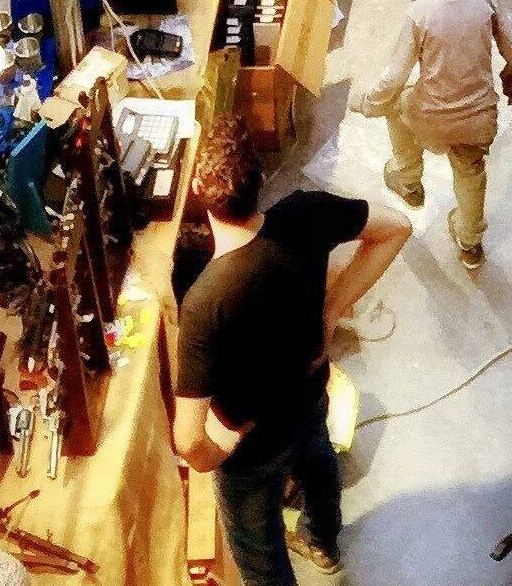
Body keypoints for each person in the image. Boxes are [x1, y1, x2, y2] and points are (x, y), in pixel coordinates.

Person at [172, 128, 410, 586]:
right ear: (260, 179)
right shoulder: (305, 213)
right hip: (308, 396)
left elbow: (188, 441)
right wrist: (332, 309)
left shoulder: (204, 303)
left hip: (253, 445)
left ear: (198, 189)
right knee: (318, 465)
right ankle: (323, 543)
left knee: (260, 556)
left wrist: (216, 452)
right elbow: (396, 227)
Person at [358, 0, 512, 271]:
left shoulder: (419, 13)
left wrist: (368, 103)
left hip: (430, 120)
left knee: (396, 104)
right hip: (478, 123)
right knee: (471, 173)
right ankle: (470, 243)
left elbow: (393, 78)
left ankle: (407, 179)